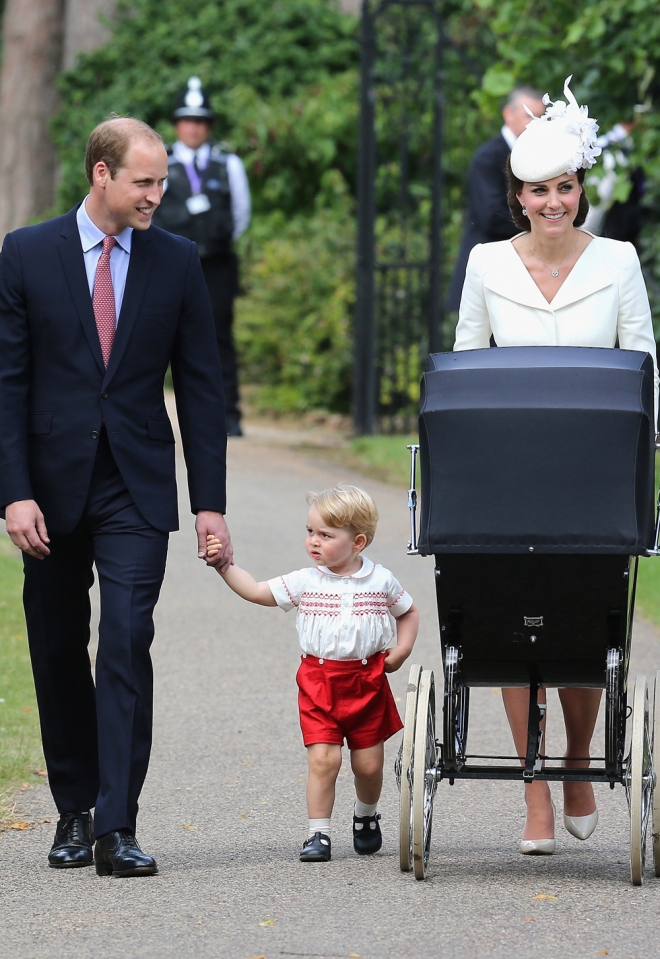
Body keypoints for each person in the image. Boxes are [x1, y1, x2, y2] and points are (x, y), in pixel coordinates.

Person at [0, 117, 234, 876]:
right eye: (144, 181)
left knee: (128, 639)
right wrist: (13, 494)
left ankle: (115, 824)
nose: (157, 195)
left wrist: (209, 502)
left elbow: (201, 386)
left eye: (162, 181)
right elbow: (7, 385)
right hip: (50, 490)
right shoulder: (27, 253)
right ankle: (72, 808)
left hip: (135, 485)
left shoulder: (176, 260)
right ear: (101, 175)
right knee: (60, 645)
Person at [454, 76, 658, 855]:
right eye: (537, 190)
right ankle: (534, 787)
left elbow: (642, 366)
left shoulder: (619, 259)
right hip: (505, 475)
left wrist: (644, 455)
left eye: (565, 188)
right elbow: (467, 365)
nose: (553, 203)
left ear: (580, 188)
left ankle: (576, 761)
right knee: (509, 629)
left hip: (594, 474)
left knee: (583, 626)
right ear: (518, 194)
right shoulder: (486, 264)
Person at [206, 484, 419, 862]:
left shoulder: (380, 580)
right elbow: (256, 591)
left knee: (369, 765)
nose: (313, 542)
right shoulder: (306, 581)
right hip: (319, 682)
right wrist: (225, 565)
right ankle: (317, 834)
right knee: (324, 760)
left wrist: (401, 650)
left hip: (367, 681)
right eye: (310, 532)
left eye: (325, 535)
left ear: (358, 541)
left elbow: (408, 612)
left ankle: (366, 815)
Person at [152, 77, 251, 436]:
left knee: (218, 339)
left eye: (200, 120)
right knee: (157, 338)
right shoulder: (161, 162)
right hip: (167, 265)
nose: (193, 127)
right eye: (187, 120)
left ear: (208, 125)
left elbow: (241, 215)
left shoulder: (229, 164)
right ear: (177, 124)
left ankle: (228, 416)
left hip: (216, 266)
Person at [447, 86, 545, 312]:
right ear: (508, 114)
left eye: (540, 118)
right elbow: (492, 217)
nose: (535, 124)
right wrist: (543, 223)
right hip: (489, 275)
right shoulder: (488, 158)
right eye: (528, 116)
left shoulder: (540, 156)